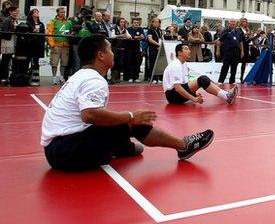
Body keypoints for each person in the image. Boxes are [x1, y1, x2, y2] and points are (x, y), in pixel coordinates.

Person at [40, 34, 214, 171]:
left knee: (127, 130)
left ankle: (121, 148)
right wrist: (131, 116)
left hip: (56, 149)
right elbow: (89, 115)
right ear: (100, 55)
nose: (113, 53)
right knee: (135, 122)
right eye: (110, 50)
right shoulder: (94, 80)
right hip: (64, 152)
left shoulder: (80, 76)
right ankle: (184, 145)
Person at [163, 43, 238, 105]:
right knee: (202, 80)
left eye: (189, 49)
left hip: (176, 94)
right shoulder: (176, 65)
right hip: (172, 96)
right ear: (179, 53)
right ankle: (227, 96)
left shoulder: (184, 64)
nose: (189, 51)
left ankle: (226, 94)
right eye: (186, 49)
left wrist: (194, 94)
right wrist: (194, 99)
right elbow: (178, 88)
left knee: (203, 79)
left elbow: (185, 84)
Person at [47, 7, 71, 85]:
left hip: (66, 45)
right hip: (56, 45)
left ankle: (61, 77)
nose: (63, 14)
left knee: (64, 62)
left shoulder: (68, 22)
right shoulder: (53, 21)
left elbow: (70, 31)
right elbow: (49, 33)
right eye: (61, 12)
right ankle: (54, 77)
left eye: (64, 12)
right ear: (57, 13)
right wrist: (52, 44)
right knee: (54, 62)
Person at [217, 18, 243, 84]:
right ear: (229, 23)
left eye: (234, 22)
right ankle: (221, 80)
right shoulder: (225, 31)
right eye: (232, 22)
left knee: (234, 66)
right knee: (225, 66)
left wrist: (242, 51)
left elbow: (240, 42)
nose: (233, 23)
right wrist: (218, 50)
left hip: (236, 51)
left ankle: (232, 81)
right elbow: (219, 41)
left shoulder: (238, 31)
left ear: (236, 23)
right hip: (228, 51)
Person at [26, 9, 46, 86]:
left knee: (36, 62)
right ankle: (27, 77)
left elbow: (43, 33)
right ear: (31, 14)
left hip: (38, 44)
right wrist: (32, 31)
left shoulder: (41, 24)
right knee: (28, 60)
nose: (37, 13)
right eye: (35, 12)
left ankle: (35, 79)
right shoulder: (28, 23)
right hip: (30, 44)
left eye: (37, 12)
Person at [0, 5, 19, 84]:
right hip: (7, 42)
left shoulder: (14, 20)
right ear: (11, 12)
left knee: (8, 61)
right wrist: (13, 28)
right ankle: (3, 78)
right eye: (15, 11)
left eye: (17, 11)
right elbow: (4, 31)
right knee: (5, 60)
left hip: (12, 41)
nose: (17, 13)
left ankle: (6, 77)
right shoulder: (7, 20)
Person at [124, 18, 144, 83]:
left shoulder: (140, 29)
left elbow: (143, 37)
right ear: (132, 23)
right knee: (130, 62)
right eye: (135, 22)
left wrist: (137, 37)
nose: (136, 24)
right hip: (129, 48)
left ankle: (136, 77)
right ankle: (130, 77)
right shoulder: (128, 29)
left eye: (137, 23)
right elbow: (131, 37)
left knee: (137, 62)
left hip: (137, 48)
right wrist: (137, 37)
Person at [145, 17, 163, 83]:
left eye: (158, 22)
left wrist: (161, 46)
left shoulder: (160, 30)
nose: (156, 23)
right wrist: (158, 45)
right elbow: (150, 39)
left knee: (159, 63)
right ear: (152, 23)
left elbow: (161, 38)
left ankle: (159, 77)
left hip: (159, 49)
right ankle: (153, 78)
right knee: (152, 63)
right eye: (155, 22)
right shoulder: (150, 30)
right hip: (152, 49)